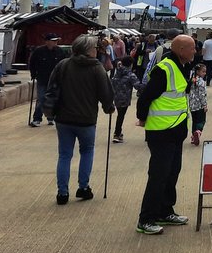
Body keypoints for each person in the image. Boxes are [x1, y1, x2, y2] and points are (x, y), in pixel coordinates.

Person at [134, 34, 195, 235]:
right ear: (181, 50)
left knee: (172, 172)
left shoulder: (182, 67)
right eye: (192, 48)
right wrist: (142, 118)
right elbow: (145, 96)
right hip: (161, 131)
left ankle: (165, 211)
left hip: (176, 130)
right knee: (158, 176)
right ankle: (146, 219)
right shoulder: (165, 68)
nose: (195, 51)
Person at [44, 33, 114, 205]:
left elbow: (51, 88)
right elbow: (105, 93)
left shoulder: (63, 65)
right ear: (88, 50)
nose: (96, 51)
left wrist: (49, 111)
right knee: (87, 151)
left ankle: (62, 192)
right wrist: (108, 107)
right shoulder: (97, 68)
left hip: (63, 118)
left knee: (65, 155)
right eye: (94, 48)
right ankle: (83, 187)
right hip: (87, 119)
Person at [28, 33, 63, 126]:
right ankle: (37, 119)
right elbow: (32, 63)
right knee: (41, 98)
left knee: (54, 99)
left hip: (55, 80)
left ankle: (51, 117)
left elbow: (63, 64)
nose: (55, 42)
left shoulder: (59, 51)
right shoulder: (39, 51)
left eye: (56, 41)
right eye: (53, 41)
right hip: (42, 78)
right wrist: (33, 74)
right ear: (47, 41)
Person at [110, 51, 141, 143]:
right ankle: (117, 133)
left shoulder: (117, 72)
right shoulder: (130, 75)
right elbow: (138, 86)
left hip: (116, 97)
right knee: (121, 116)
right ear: (131, 64)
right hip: (125, 98)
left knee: (120, 115)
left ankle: (118, 132)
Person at [188, 63, 208, 145]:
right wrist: (205, 105)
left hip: (192, 105)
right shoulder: (201, 82)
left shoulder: (191, 80)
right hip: (199, 105)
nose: (204, 73)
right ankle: (198, 132)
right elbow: (202, 94)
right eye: (203, 71)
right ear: (198, 72)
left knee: (194, 121)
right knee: (201, 121)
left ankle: (193, 136)